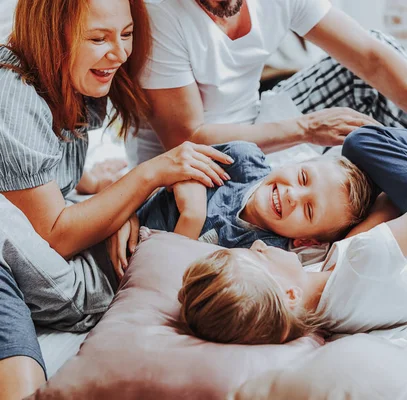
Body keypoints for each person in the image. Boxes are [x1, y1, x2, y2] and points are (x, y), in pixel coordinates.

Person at [0, 0, 232, 398]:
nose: (121, 53)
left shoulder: (64, 80)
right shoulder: (14, 96)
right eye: (98, 38)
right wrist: (147, 175)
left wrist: (106, 193)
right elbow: (54, 237)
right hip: (56, 276)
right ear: (50, 37)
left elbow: (33, 174)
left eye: (126, 34)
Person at [177, 127, 407, 345]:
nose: (256, 244)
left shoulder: (322, 315)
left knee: (371, 190)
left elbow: (373, 225)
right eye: (256, 256)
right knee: (362, 143)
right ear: (289, 293)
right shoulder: (363, 261)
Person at [127, 0, 407, 180]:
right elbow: (188, 140)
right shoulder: (159, 13)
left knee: (371, 60)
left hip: (257, 123)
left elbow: (372, 56)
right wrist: (307, 129)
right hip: (198, 168)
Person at [136, 141, 373, 250]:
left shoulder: (259, 252)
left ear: (306, 242)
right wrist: (127, 216)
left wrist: (193, 216)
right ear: (297, 162)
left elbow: (168, 279)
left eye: (309, 210)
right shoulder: (241, 159)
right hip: (120, 216)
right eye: (302, 177)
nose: (293, 195)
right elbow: (163, 173)